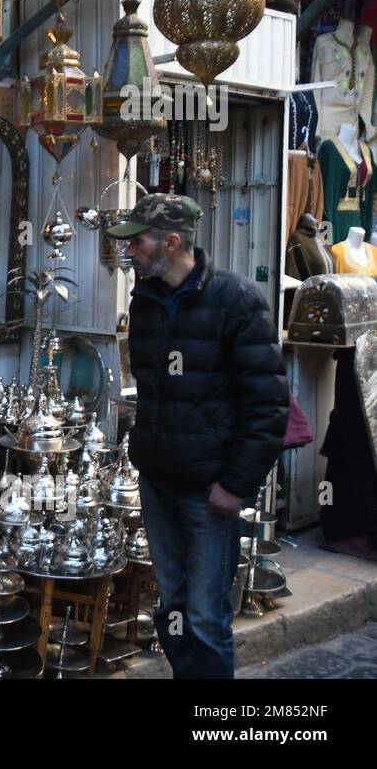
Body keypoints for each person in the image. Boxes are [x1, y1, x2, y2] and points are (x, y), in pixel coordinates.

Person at [106, 194, 288, 679]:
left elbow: (268, 407)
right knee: (176, 611)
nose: (129, 252)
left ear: (171, 242)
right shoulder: (143, 302)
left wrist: (235, 484)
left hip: (210, 492)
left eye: (137, 242)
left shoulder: (237, 301)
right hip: (159, 484)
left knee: (206, 618)